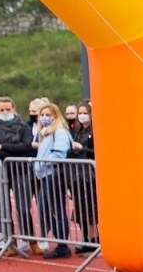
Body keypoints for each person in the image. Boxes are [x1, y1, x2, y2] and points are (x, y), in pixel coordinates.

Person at [0, 97, 36, 256]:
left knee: (23, 207)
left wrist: (4, 147)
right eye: (2, 110)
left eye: (8, 109)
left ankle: (30, 240)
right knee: (3, 208)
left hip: (20, 171)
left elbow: (25, 147)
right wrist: (12, 151)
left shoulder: (23, 128)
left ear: (14, 109)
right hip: (0, 173)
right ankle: (9, 240)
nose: (5, 113)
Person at [33, 101, 74, 259]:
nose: (44, 118)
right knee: (45, 209)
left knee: (56, 210)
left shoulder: (60, 132)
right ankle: (59, 241)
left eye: (48, 115)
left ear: (55, 116)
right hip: (44, 175)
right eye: (42, 115)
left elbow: (59, 153)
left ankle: (62, 245)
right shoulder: (45, 134)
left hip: (54, 175)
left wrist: (41, 163)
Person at [67, 100, 98, 249]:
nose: (82, 116)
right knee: (79, 208)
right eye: (80, 113)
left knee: (90, 207)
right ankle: (85, 238)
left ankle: (94, 239)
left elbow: (97, 152)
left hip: (89, 174)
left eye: (85, 113)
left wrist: (82, 149)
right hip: (77, 173)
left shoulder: (95, 131)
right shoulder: (78, 131)